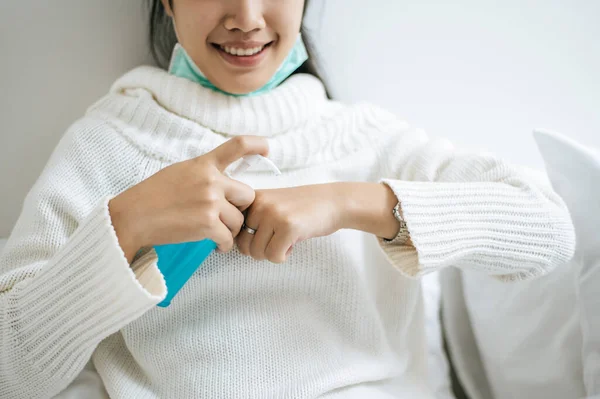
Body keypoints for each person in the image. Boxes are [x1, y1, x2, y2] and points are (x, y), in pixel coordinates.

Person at [0, 0, 575, 398]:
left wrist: (355, 204)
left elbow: (550, 230)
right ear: (167, 2)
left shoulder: (370, 142)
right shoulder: (107, 146)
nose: (246, 18)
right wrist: (125, 226)